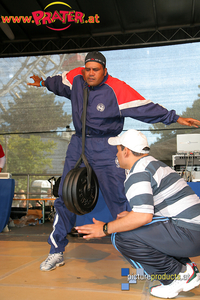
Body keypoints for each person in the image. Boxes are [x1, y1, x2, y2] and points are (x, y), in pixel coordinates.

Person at [27, 51, 200, 272]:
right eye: (87, 69)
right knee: (65, 196)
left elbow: (145, 108)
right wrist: (42, 82)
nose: (90, 73)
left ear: (105, 71)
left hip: (105, 145)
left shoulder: (117, 89)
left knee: (120, 198)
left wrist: (175, 118)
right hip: (78, 144)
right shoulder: (75, 79)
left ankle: (140, 252)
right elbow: (58, 84)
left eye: (95, 70)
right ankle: (56, 251)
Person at [76, 129, 200, 299]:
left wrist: (104, 228)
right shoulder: (154, 164)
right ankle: (186, 269)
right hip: (192, 231)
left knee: (120, 235)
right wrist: (132, 215)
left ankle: (175, 276)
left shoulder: (138, 171)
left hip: (189, 233)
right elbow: (152, 211)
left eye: (118, 149)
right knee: (131, 225)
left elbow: (143, 217)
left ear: (126, 151)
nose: (117, 154)